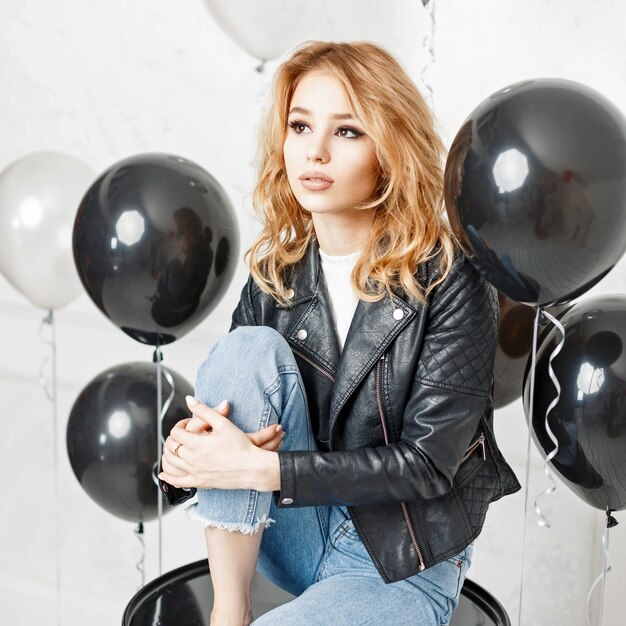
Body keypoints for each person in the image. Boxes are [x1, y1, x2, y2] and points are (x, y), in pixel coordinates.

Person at [158, 41, 521, 626]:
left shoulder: (452, 279)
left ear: (390, 149)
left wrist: (258, 471)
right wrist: (184, 456)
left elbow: (428, 466)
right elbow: (233, 416)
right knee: (246, 351)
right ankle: (231, 607)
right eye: (300, 126)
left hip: (402, 562)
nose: (315, 151)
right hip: (293, 535)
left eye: (348, 132)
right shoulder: (277, 274)